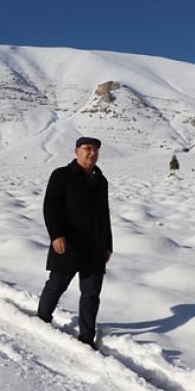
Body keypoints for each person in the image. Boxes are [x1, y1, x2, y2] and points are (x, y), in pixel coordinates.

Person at [37, 136, 113, 349]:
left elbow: (104, 215)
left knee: (91, 294)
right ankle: (41, 319)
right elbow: (50, 208)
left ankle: (87, 338)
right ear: (76, 151)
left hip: (95, 247)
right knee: (56, 285)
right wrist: (56, 235)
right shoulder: (62, 175)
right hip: (68, 244)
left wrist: (108, 245)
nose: (92, 153)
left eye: (95, 150)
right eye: (87, 149)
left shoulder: (101, 180)